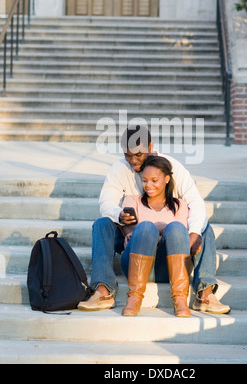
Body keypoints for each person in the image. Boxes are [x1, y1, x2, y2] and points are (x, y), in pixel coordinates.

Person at [78, 124, 230, 314]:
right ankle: (103, 290)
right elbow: (106, 203)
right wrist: (119, 215)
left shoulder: (172, 167)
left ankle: (205, 293)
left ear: (150, 146)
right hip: (132, 236)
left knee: (202, 227)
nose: (133, 161)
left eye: (138, 155)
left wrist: (192, 233)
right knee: (102, 224)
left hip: (169, 244)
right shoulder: (119, 170)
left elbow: (195, 202)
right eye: (127, 155)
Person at [120, 155, 191, 317]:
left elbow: (180, 237)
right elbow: (132, 234)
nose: (148, 185)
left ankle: (180, 299)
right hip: (133, 265)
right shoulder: (132, 201)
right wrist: (156, 229)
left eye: (154, 180)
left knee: (176, 228)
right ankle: (134, 298)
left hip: (165, 268)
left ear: (166, 179)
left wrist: (160, 228)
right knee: (146, 227)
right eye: (144, 180)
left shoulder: (180, 205)